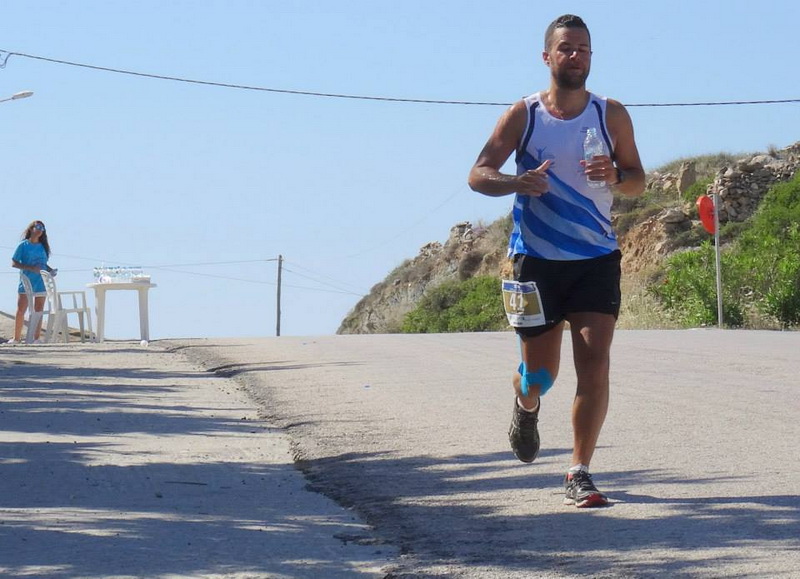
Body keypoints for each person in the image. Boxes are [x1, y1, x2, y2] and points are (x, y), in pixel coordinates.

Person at [468, 14, 645, 508]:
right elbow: (478, 173)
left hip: (595, 258)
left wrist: (616, 176)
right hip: (536, 261)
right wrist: (516, 182)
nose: (575, 56)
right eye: (566, 48)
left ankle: (579, 471)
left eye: (583, 49)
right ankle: (525, 405)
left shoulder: (611, 114)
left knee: (595, 363)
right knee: (540, 376)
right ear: (547, 56)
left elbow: (638, 180)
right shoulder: (524, 115)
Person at [9, 220, 57, 344]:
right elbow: (14, 263)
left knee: (39, 309)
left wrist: (50, 270)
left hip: (41, 281)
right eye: (38, 226)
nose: (40, 230)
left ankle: (36, 338)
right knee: (21, 309)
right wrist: (30, 268)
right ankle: (16, 338)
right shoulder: (23, 245)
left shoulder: (43, 246)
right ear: (31, 228)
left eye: (43, 228)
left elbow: (42, 264)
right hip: (27, 281)